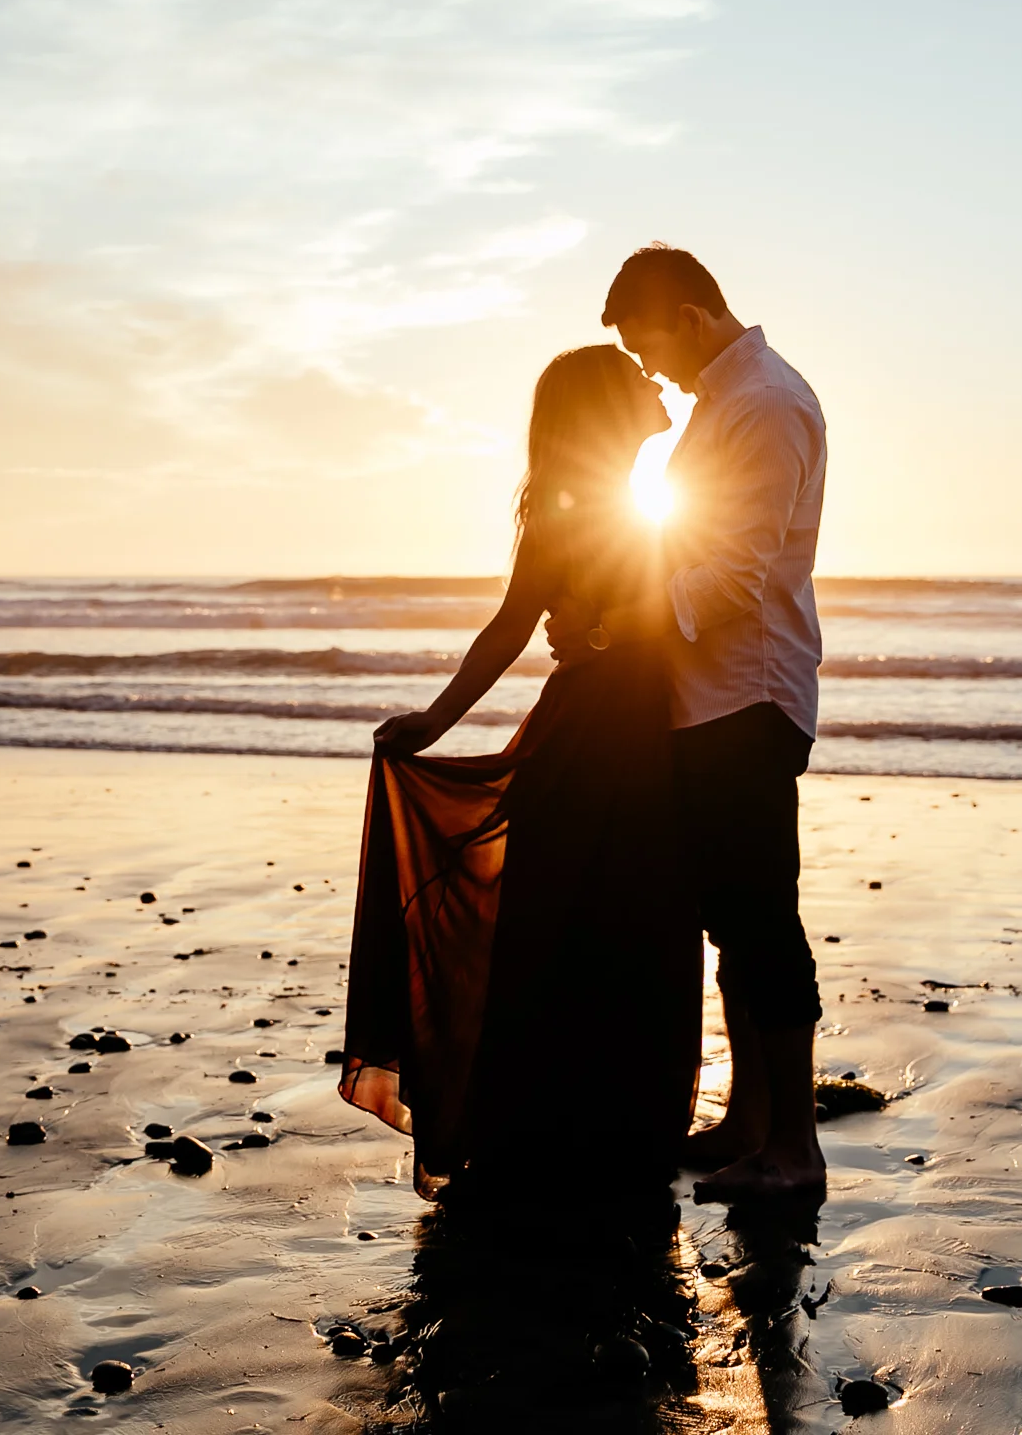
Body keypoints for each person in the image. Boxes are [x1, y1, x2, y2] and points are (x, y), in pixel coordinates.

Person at [339, 345, 701, 1201]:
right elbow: (513, 625)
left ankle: (595, 1132)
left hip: (634, 733)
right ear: (605, 406)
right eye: (634, 376)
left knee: (617, 926)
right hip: (596, 736)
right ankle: (568, 1136)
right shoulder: (587, 508)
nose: (654, 380)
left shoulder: (646, 500)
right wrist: (436, 720)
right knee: (586, 928)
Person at [547, 244, 829, 1203]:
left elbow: (733, 576)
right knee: (733, 921)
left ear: (689, 315)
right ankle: (749, 1123)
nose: (648, 367)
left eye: (647, 345)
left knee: (763, 918)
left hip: (750, 695)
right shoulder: (725, 400)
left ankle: (795, 1149)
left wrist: (610, 630)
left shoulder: (766, 403)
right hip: (712, 698)